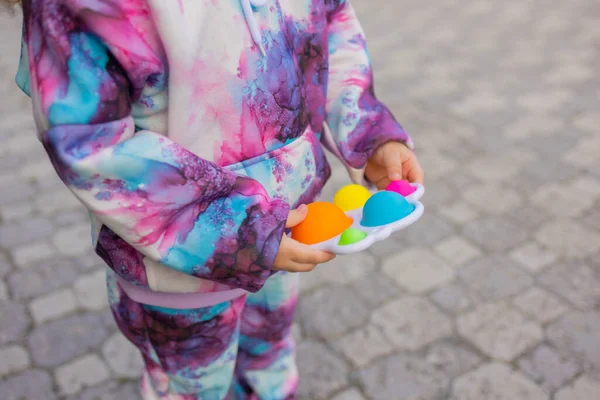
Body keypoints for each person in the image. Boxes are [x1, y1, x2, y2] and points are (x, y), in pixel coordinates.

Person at [10, 0, 423, 398]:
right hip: (179, 270)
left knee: (270, 351)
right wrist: (244, 232)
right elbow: (89, 145)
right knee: (194, 386)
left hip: (288, 226)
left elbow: (329, 30)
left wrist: (369, 134)